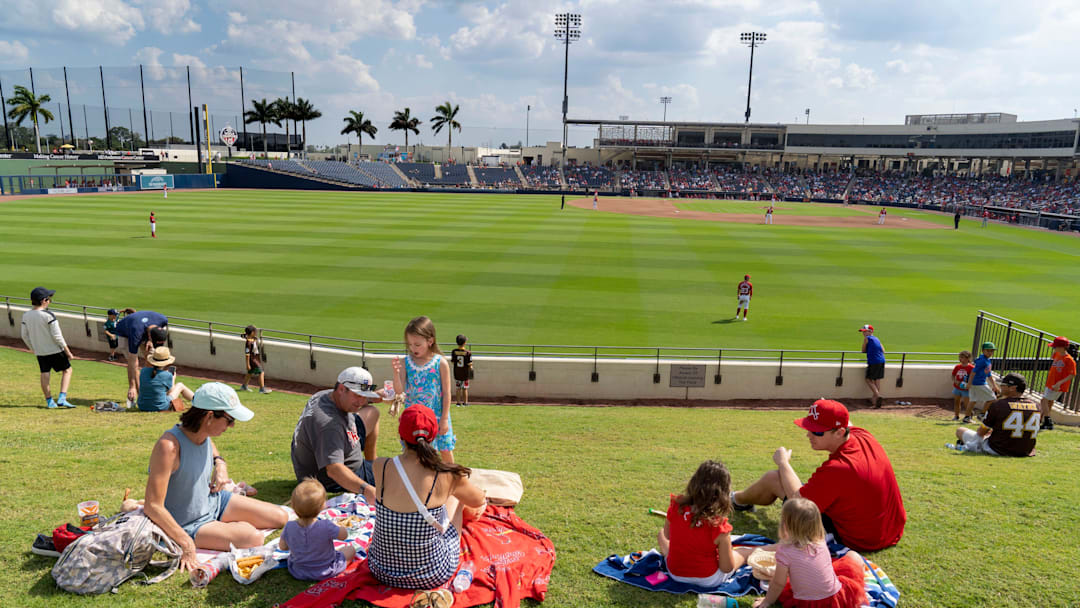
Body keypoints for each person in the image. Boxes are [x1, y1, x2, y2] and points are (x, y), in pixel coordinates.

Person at [143, 383, 288, 572]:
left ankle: (224, 527)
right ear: (210, 416)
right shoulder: (169, 447)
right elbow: (153, 505)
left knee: (281, 516)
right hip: (190, 523)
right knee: (254, 538)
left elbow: (210, 447)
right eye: (230, 420)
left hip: (214, 501)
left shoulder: (203, 435)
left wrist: (220, 464)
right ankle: (222, 528)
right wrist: (186, 544)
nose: (233, 425)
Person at [731, 399, 906, 552]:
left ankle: (736, 500)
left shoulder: (838, 468)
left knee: (774, 478)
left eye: (817, 431)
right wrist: (826, 407)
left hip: (857, 542)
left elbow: (798, 501)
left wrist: (783, 462)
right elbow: (847, 422)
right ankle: (738, 501)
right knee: (778, 478)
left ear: (839, 432)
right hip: (889, 532)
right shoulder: (863, 435)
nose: (808, 434)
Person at [367, 405, 486, 592]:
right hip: (430, 575)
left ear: (400, 435)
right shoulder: (447, 475)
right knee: (458, 499)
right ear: (434, 435)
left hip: (380, 569)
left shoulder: (381, 466)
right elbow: (478, 500)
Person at [291, 367, 385, 503]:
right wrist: (367, 490)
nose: (361, 401)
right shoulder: (329, 425)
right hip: (331, 479)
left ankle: (371, 463)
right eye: (358, 395)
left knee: (372, 412)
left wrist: (376, 396)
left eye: (364, 396)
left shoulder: (324, 395)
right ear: (341, 389)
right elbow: (334, 470)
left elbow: (359, 400)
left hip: (313, 462)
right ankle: (370, 471)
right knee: (394, 475)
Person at [752, 498, 866, 608]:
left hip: (807, 603)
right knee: (852, 559)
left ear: (785, 525)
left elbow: (778, 583)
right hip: (834, 598)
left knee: (782, 580)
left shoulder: (785, 551)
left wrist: (767, 600)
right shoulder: (820, 540)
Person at [657, 460, 755, 587]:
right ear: (723, 494)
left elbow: (667, 535)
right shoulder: (718, 526)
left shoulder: (676, 506)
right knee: (743, 552)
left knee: (661, 534)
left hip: (675, 573)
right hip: (708, 579)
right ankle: (772, 550)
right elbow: (726, 568)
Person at [392, 316, 455, 462]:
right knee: (415, 455)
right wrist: (396, 373)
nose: (413, 348)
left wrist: (444, 419)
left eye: (417, 344)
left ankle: (453, 480)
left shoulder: (440, 363)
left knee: (445, 451)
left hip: (437, 416)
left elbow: (446, 394)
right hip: (415, 420)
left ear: (430, 341)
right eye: (410, 344)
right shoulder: (406, 363)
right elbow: (399, 391)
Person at [278, 478, 355, 581]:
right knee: (351, 549)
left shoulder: (289, 526)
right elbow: (343, 536)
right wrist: (341, 528)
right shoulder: (326, 525)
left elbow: (283, 547)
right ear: (322, 506)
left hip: (298, 571)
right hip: (327, 570)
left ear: (293, 506)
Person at [948, 373, 1039, 457]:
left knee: (960, 430)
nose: (1001, 387)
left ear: (1012, 388)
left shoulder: (999, 405)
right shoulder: (1036, 406)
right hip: (1026, 450)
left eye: (1004, 385)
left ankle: (966, 447)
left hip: (998, 449)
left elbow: (981, 432)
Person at [20, 286, 76, 408]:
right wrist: (68, 352)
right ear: (44, 300)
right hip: (54, 350)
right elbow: (58, 336)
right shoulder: (48, 315)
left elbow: (24, 336)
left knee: (45, 373)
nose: (50, 301)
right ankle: (62, 397)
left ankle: (50, 401)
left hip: (40, 352)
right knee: (67, 370)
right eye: (49, 299)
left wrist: (34, 348)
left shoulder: (26, 315)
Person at [114, 309, 168, 402]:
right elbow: (133, 361)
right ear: (149, 335)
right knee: (133, 364)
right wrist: (132, 386)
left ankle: (152, 388)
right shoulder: (136, 333)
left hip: (144, 329)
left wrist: (150, 341)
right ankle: (140, 394)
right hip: (125, 333)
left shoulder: (163, 320)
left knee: (152, 358)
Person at [138, 346, 195, 412]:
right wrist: (173, 379)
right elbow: (170, 393)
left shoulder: (143, 371)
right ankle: (198, 401)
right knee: (180, 385)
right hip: (160, 407)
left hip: (142, 406)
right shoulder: (167, 375)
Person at [1039, 336, 1075, 431]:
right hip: (1050, 383)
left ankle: (1047, 421)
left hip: (1057, 385)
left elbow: (1072, 374)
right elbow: (1052, 356)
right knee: (1049, 402)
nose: (1054, 348)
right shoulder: (1057, 355)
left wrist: (1059, 383)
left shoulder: (1069, 359)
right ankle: (1043, 420)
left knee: (1044, 401)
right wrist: (1056, 350)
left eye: (1055, 347)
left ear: (1062, 347)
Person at [965, 342, 999, 423]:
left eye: (992, 351)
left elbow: (989, 374)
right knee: (992, 398)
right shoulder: (982, 361)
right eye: (988, 351)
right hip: (979, 383)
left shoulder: (987, 360)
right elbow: (973, 372)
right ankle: (982, 415)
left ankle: (967, 418)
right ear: (983, 351)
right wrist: (969, 383)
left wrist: (994, 385)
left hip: (976, 383)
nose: (990, 353)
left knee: (973, 400)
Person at [858, 324, 885, 408]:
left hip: (873, 361)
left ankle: (877, 396)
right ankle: (874, 400)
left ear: (870, 331)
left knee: (868, 379)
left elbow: (863, 350)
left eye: (865, 331)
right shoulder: (877, 339)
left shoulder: (866, 339)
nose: (863, 333)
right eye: (863, 332)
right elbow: (883, 350)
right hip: (882, 360)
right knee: (877, 380)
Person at [240, 325, 272, 394]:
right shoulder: (248, 342)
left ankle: (244, 386)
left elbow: (243, 335)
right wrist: (248, 364)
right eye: (255, 331)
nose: (256, 333)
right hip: (253, 360)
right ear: (252, 332)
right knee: (261, 372)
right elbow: (247, 354)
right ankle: (262, 389)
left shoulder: (252, 338)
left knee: (250, 372)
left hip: (256, 358)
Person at [950, 350, 974, 421]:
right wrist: (955, 381)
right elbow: (953, 375)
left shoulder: (971, 368)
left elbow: (972, 377)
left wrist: (968, 383)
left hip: (966, 389)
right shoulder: (957, 367)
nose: (961, 359)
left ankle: (968, 416)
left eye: (962, 357)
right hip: (957, 388)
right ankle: (956, 416)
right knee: (957, 402)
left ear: (968, 358)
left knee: (967, 404)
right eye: (960, 357)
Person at [450, 334, 473, 407]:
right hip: (465, 373)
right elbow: (470, 364)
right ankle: (465, 402)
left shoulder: (454, 351)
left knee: (458, 388)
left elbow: (453, 362)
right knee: (465, 388)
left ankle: (458, 403)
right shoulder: (468, 352)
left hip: (457, 372)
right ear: (465, 343)